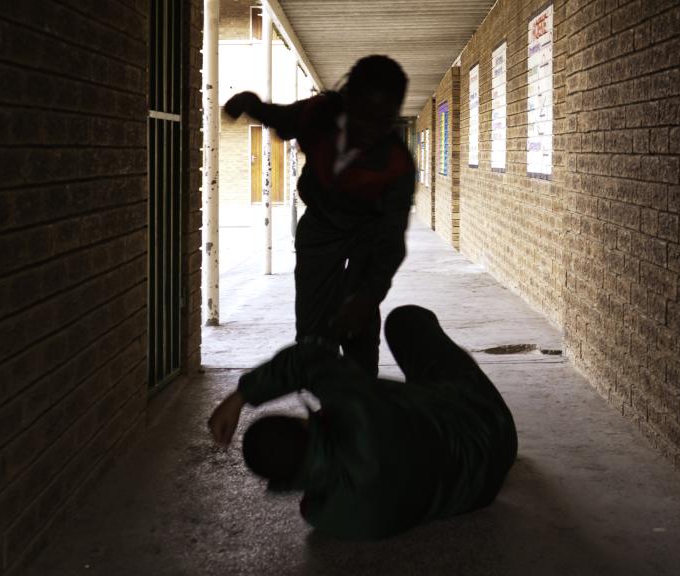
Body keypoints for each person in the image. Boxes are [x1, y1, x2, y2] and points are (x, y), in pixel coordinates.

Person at [207, 305, 518, 540]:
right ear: (304, 425)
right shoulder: (358, 410)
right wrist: (238, 397)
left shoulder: (325, 516)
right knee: (406, 320)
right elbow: (309, 360)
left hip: (481, 491)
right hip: (485, 422)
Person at [223, 55, 416, 378]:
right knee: (313, 329)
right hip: (322, 227)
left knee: (359, 324)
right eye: (364, 117)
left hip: (368, 232)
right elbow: (282, 119)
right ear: (348, 100)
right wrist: (250, 103)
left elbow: (391, 242)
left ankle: (360, 395)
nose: (370, 130)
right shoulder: (319, 114)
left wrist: (367, 296)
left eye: (382, 121)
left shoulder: (396, 163)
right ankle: (319, 389)